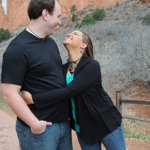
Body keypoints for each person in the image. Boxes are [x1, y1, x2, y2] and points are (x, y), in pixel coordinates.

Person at [21, 30, 127, 150]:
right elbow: (48, 85)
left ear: (83, 45)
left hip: (105, 122)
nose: (70, 34)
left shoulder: (91, 65)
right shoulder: (62, 69)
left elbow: (69, 91)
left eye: (75, 34)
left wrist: (34, 99)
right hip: (83, 128)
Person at [1, 0, 72, 150]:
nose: (60, 22)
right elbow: (9, 93)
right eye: (58, 16)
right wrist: (35, 124)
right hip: (41, 131)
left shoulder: (51, 43)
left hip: (63, 125)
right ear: (45, 14)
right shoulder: (17, 49)